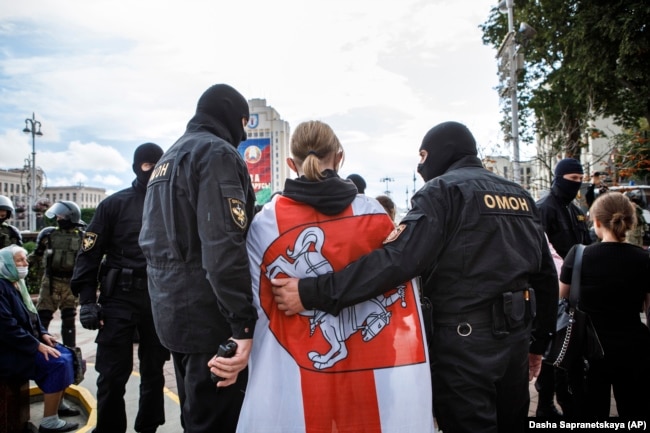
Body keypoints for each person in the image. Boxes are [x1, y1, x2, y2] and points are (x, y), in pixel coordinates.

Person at [271, 121, 558, 433]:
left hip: (463, 347)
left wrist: (313, 292)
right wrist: (538, 345)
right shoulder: (520, 196)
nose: (420, 165)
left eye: (423, 156)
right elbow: (544, 278)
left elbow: (397, 262)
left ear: (441, 153)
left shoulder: (442, 192)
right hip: (515, 339)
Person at [238, 120, 433, 433]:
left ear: (291, 163)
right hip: (367, 366)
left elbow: (255, 299)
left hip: (297, 367)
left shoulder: (266, 222)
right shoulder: (373, 214)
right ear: (340, 157)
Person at [139, 83, 258, 433]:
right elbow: (222, 247)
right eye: (244, 124)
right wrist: (242, 324)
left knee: (195, 415)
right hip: (210, 319)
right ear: (234, 118)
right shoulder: (215, 153)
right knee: (218, 420)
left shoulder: (168, 158)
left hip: (173, 313)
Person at [70, 143, 170, 433]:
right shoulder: (113, 204)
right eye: (147, 165)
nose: (151, 172)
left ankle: (148, 427)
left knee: (154, 371)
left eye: (157, 165)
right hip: (119, 299)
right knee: (112, 374)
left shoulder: (171, 204)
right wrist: (88, 301)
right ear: (137, 166)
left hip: (158, 299)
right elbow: (88, 255)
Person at [559, 191, 650, 420]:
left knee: (591, 414)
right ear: (630, 221)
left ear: (597, 222)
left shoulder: (578, 255)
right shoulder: (643, 259)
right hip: (633, 349)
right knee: (635, 411)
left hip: (589, 351)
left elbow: (561, 299)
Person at [535, 157, 592, 419]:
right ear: (559, 179)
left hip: (577, 289)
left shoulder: (576, 210)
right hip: (553, 289)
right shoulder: (544, 208)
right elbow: (540, 251)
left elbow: (586, 245)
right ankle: (545, 404)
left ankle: (568, 400)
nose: (577, 185)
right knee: (551, 350)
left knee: (572, 350)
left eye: (581, 180)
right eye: (572, 180)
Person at [0, 245, 78, 433]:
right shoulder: (2, 287)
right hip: (10, 350)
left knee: (68, 355)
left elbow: (32, 315)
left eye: (25, 259)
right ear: (6, 264)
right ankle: (49, 422)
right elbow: (6, 327)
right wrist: (36, 346)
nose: (25, 264)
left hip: (25, 343)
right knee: (56, 363)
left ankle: (57, 404)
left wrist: (43, 334)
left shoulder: (17, 283)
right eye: (20, 260)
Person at [32, 201, 85, 348]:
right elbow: (36, 256)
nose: (58, 218)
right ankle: (39, 349)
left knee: (69, 318)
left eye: (61, 215)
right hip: (50, 281)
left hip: (71, 282)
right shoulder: (48, 234)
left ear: (70, 217)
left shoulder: (82, 236)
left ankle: (71, 354)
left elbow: (90, 260)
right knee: (43, 317)